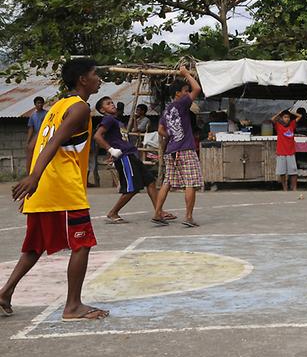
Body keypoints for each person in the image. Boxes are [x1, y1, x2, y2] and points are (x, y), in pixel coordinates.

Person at [0, 57, 109, 321]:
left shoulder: (56, 106)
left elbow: (33, 145)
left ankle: (4, 293)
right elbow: (55, 142)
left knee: (35, 246)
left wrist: (32, 179)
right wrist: (34, 178)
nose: (99, 79)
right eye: (95, 74)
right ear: (83, 79)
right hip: (62, 187)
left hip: (45, 186)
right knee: (82, 243)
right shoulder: (80, 108)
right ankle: (73, 306)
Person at [93, 96, 174, 224]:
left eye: (112, 103)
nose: (112, 105)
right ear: (102, 110)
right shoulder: (108, 119)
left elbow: (114, 138)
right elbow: (97, 136)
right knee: (132, 188)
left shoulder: (116, 121)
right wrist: (111, 150)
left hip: (131, 155)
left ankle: (159, 211)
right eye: (108, 104)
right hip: (124, 157)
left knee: (150, 181)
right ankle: (113, 212)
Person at [152, 66, 203, 227]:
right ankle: (188, 217)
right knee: (190, 182)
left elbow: (160, 130)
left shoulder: (167, 110)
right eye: (185, 90)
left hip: (171, 150)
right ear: (178, 94)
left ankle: (157, 213)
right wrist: (186, 74)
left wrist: (172, 135)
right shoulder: (182, 103)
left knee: (167, 182)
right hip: (185, 149)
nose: (188, 93)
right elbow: (197, 88)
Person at [271, 109, 299, 191]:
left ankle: (294, 188)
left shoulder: (292, 124)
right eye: (285, 117)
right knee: (282, 172)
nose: (287, 119)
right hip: (281, 152)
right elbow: (272, 119)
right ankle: (285, 188)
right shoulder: (278, 126)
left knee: (293, 172)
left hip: (291, 152)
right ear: (281, 118)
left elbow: (300, 116)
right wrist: (279, 113)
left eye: (288, 117)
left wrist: (291, 112)